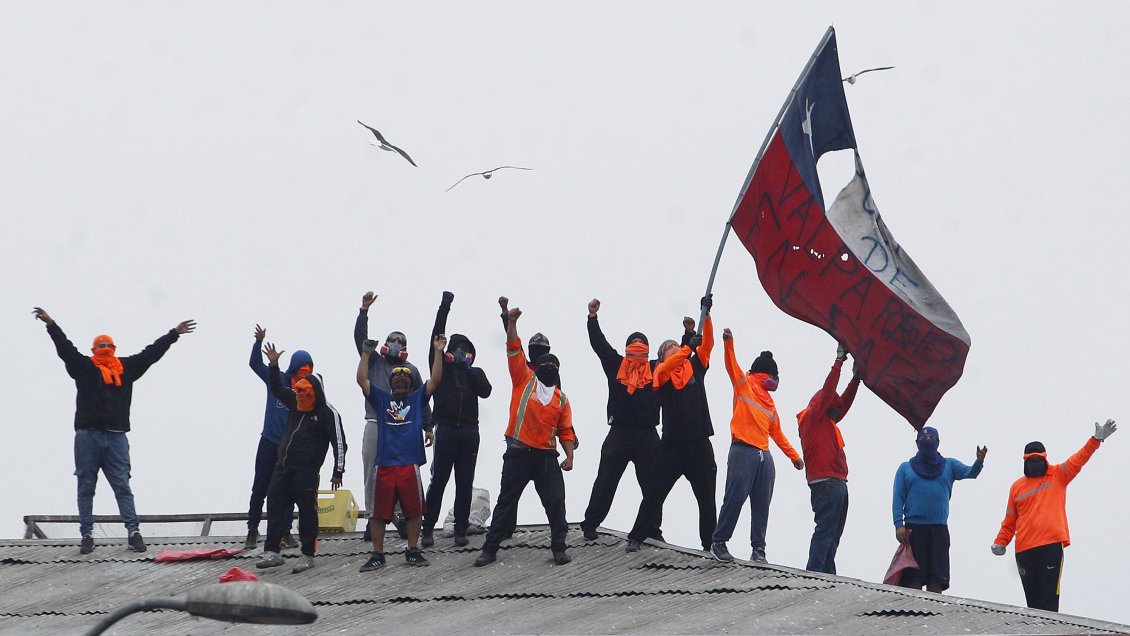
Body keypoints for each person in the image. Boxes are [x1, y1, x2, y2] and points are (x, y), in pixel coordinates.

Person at [33, 307, 195, 555]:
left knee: (122, 486)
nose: (105, 348)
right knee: (87, 487)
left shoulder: (125, 368)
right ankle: (87, 535)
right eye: (101, 346)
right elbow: (66, 349)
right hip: (88, 436)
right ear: (93, 350)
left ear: (114, 348)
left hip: (116, 436)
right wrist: (51, 325)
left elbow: (151, 354)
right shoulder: (85, 367)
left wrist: (174, 334)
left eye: (108, 345)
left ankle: (133, 532)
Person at [473, 303, 577, 567]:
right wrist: (511, 321)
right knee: (506, 503)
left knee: (556, 504)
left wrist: (569, 456)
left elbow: (565, 430)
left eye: (554, 365)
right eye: (546, 364)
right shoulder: (524, 379)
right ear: (536, 366)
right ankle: (489, 549)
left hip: (546, 457)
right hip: (519, 453)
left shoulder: (561, 399)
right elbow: (513, 348)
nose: (550, 367)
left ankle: (559, 548)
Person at [990, 419, 1117, 612]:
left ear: (1045, 459)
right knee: (1033, 604)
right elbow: (1010, 520)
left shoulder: (1058, 475)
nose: (1034, 463)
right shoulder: (1017, 487)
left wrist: (1096, 440)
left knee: (1049, 600)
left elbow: (1079, 459)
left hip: (1050, 546)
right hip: (1024, 549)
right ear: (1024, 461)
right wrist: (1001, 542)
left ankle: (1049, 627)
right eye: (1030, 460)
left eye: (1038, 459)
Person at [626, 297, 717, 554]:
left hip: (699, 442)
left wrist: (707, 316)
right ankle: (637, 536)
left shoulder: (695, 366)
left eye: (675, 347)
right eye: (669, 349)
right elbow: (670, 365)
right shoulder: (660, 372)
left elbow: (707, 344)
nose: (674, 350)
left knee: (707, 498)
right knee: (655, 492)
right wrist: (686, 347)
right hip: (673, 446)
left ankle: (710, 544)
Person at [710, 329, 803, 564]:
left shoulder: (769, 402)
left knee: (762, 504)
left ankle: (758, 549)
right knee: (735, 498)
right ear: (767, 375)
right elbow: (731, 365)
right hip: (743, 450)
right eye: (775, 377)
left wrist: (794, 456)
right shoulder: (745, 384)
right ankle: (719, 542)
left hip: (764, 455)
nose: (776, 382)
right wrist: (729, 343)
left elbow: (777, 433)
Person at [357, 334, 447, 571]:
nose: (400, 380)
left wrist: (438, 352)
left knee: (414, 511)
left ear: (411, 383)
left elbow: (436, 380)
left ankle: (412, 550)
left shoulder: (417, 400)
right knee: (378, 513)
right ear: (390, 384)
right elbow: (362, 380)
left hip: (409, 465)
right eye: (396, 377)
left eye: (404, 377)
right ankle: (377, 554)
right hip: (385, 465)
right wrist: (366, 354)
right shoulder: (382, 400)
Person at [256, 342, 347, 574]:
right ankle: (272, 551)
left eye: (304, 392)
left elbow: (339, 443)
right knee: (275, 504)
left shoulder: (328, 413)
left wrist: (338, 471)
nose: (299, 395)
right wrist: (274, 366)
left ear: (315, 392)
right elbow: (277, 388)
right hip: (283, 466)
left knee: (307, 511)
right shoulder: (295, 401)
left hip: (307, 471)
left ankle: (307, 554)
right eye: (298, 391)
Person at [579, 298, 662, 542]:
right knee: (606, 480)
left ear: (648, 351)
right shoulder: (616, 365)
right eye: (633, 347)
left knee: (654, 485)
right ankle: (590, 524)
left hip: (648, 435)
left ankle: (652, 530)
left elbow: (679, 359)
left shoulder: (656, 369)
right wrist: (592, 318)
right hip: (619, 433)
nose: (637, 351)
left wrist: (689, 337)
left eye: (641, 347)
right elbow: (599, 345)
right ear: (626, 349)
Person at [354, 291, 433, 541]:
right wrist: (364, 311)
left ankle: (400, 516)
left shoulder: (411, 371)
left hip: (402, 426)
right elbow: (360, 340)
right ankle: (372, 518)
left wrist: (428, 427)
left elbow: (423, 399)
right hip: (375, 421)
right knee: (372, 471)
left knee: (402, 470)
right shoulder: (374, 361)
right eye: (392, 340)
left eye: (401, 341)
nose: (396, 344)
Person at [421, 291, 492, 548]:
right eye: (457, 349)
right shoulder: (441, 368)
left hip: (470, 432)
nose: (462, 352)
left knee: (464, 483)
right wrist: (445, 306)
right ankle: (427, 528)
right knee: (439, 480)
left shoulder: (475, 372)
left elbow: (486, 391)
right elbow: (436, 337)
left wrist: (468, 367)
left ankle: (461, 529)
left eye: (466, 350)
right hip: (447, 429)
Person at [892, 426, 987, 593]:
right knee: (914, 578)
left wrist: (979, 462)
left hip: (939, 529)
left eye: (931, 438)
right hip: (913, 529)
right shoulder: (905, 468)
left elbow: (970, 473)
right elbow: (898, 497)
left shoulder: (949, 465)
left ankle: (933, 609)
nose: (927, 441)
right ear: (917, 442)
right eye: (923, 438)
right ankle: (913, 608)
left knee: (937, 578)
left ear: (938, 442)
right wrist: (898, 524)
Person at [796, 343, 861, 574]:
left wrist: (856, 380)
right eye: (833, 405)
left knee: (833, 534)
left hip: (836, 482)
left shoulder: (826, 422)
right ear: (824, 405)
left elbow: (842, 403)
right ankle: (815, 572)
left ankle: (827, 573)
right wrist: (839, 361)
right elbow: (829, 390)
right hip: (826, 483)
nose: (837, 410)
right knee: (825, 530)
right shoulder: (812, 419)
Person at [244, 324, 304, 550]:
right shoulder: (276, 378)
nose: (305, 373)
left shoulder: (307, 390)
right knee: (260, 486)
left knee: (287, 491)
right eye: (302, 368)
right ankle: (252, 529)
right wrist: (258, 343)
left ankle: (285, 531)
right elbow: (254, 364)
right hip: (269, 441)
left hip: (289, 448)